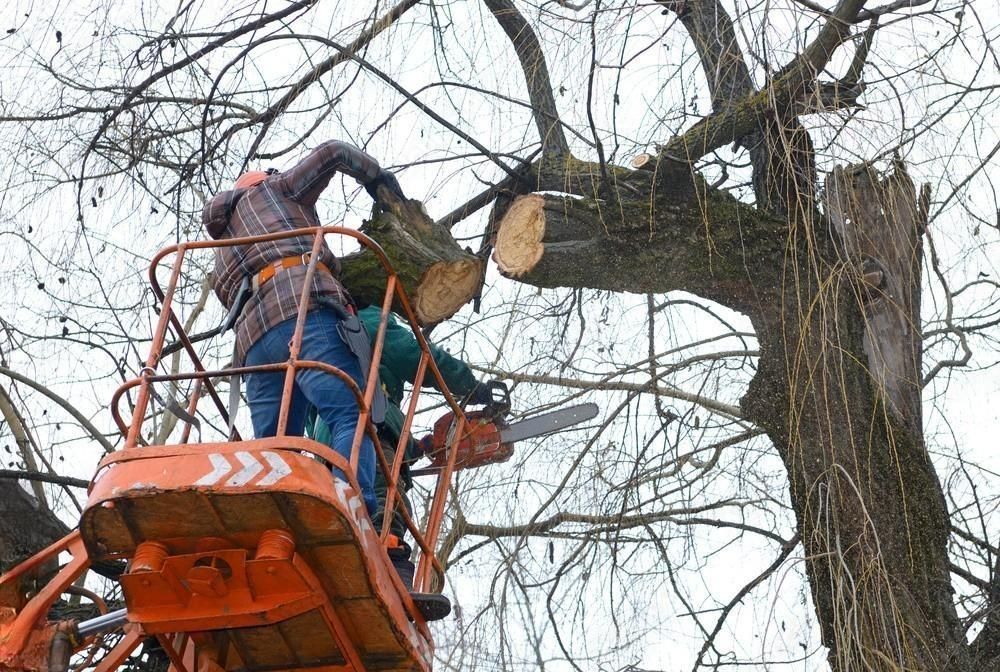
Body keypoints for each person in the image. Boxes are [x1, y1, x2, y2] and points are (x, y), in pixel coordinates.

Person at [202, 140, 405, 517]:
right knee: (348, 414)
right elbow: (333, 152)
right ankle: (352, 506)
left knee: (277, 446)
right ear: (261, 181)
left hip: (255, 348)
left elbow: (226, 296)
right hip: (305, 313)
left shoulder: (223, 247)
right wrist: (376, 177)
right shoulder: (274, 190)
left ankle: (279, 519)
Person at [308, 306, 494, 620]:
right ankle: (394, 575)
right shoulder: (367, 319)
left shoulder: (317, 336)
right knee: (384, 499)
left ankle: (339, 569)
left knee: (346, 504)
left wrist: (415, 446)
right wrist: (471, 386)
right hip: (366, 428)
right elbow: (415, 355)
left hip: (326, 445)